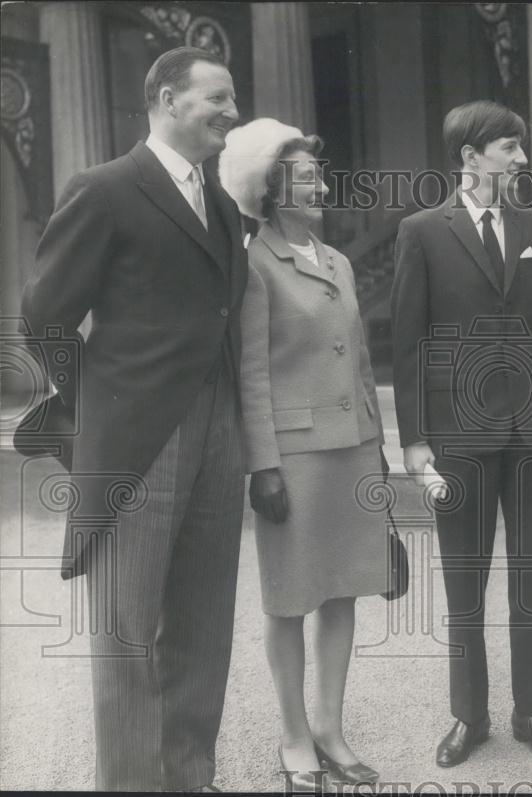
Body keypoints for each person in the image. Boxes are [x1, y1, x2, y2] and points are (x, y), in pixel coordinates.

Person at [20, 47, 245, 791]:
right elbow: (44, 315)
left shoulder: (218, 201)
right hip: (136, 446)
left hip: (218, 433)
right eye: (218, 97)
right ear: (167, 98)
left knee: (203, 630)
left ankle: (188, 777)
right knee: (126, 640)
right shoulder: (106, 189)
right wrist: (101, 408)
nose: (232, 112)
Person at [390, 100, 532, 768]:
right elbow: (408, 342)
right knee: (463, 579)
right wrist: (414, 440)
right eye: (509, 148)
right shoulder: (421, 231)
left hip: (531, 435)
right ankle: (469, 716)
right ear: (470, 158)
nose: (522, 160)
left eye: (521, 148)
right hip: (457, 436)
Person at [219, 119, 387, 789]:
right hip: (292, 458)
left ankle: (331, 729)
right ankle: (293, 736)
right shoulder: (254, 263)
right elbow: (250, 372)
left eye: (318, 172)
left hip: (352, 452)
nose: (319, 182)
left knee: (342, 593)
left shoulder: (338, 260)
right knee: (289, 600)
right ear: (270, 188)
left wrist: (377, 450)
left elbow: (363, 363)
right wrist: (262, 464)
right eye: (304, 175)